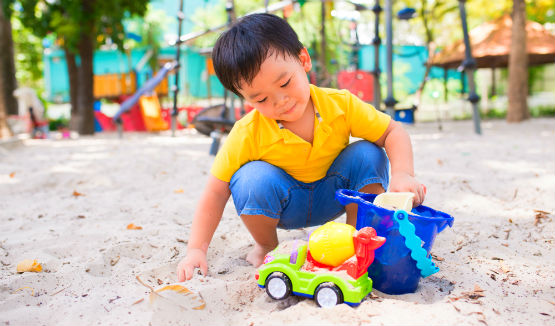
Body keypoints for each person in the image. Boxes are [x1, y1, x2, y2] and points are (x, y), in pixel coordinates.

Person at [176, 13, 426, 282]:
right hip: (285, 206)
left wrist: (403, 173)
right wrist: (195, 249)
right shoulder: (247, 132)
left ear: (303, 60)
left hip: (336, 194)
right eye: (261, 99)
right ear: (246, 99)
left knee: (368, 152)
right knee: (250, 179)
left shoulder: (339, 104)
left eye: (285, 83)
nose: (281, 101)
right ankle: (267, 247)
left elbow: (392, 131)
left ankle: (355, 237)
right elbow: (215, 191)